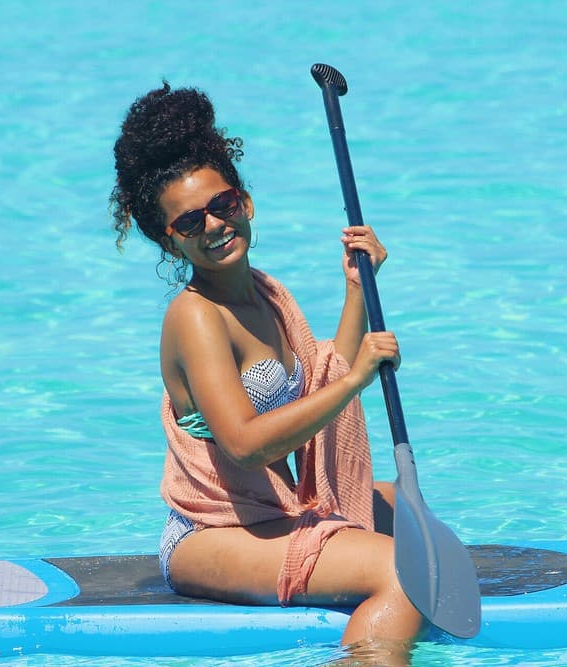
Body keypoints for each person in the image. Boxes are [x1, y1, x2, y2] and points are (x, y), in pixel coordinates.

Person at [110, 83, 424, 660]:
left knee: (404, 510)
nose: (213, 226)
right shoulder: (196, 317)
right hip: (212, 533)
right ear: (168, 239)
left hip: (270, 509)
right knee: (403, 575)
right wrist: (359, 379)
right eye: (188, 222)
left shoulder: (265, 293)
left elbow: (323, 379)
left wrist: (359, 289)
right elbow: (246, 445)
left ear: (245, 202)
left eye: (223, 204)